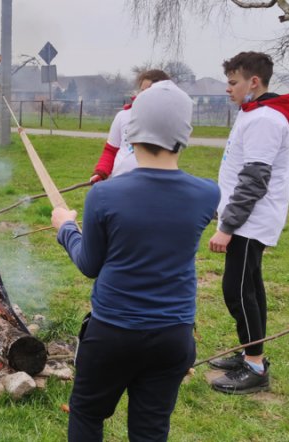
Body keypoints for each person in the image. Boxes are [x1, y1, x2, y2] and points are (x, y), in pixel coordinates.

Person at [52, 80, 220, 441]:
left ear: (131, 129)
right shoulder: (207, 194)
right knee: (150, 429)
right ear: (186, 134)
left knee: (86, 412)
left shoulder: (105, 195)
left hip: (113, 332)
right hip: (173, 337)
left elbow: (89, 264)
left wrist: (66, 227)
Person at [206, 52, 289, 395]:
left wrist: (227, 226)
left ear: (254, 82)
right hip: (244, 219)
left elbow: (254, 181)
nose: (228, 90)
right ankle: (250, 354)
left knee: (238, 291)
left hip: (249, 222)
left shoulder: (264, 120)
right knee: (251, 289)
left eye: (233, 83)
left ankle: (255, 368)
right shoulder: (255, 114)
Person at [90, 69, 171, 183]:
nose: (143, 95)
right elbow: (110, 150)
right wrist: (101, 173)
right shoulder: (123, 115)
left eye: (149, 91)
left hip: (150, 186)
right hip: (117, 182)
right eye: (142, 91)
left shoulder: (169, 121)